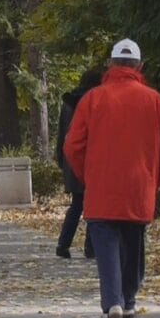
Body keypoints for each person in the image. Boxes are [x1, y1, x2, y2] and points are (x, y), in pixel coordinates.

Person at [63, 39, 160, 318]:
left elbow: (73, 145)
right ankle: (128, 300)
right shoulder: (155, 101)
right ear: (139, 66)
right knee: (133, 243)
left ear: (111, 65)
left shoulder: (93, 99)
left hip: (101, 187)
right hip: (139, 187)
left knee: (106, 247)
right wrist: (157, 178)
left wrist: (86, 175)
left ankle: (113, 301)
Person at [55, 68, 102, 260]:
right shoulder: (95, 103)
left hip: (70, 159)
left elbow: (61, 135)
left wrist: (61, 159)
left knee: (76, 204)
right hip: (91, 160)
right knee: (93, 205)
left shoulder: (69, 103)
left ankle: (63, 244)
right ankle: (90, 248)